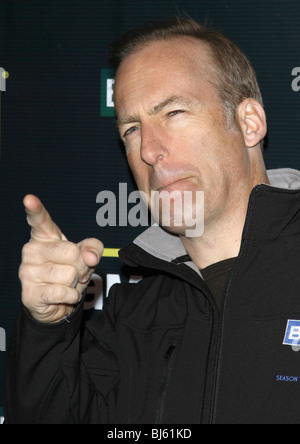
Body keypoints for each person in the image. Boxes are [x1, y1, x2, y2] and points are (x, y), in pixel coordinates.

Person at [4, 17, 300, 424]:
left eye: (174, 112)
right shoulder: (131, 315)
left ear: (249, 123)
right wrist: (46, 329)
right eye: (131, 129)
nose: (148, 149)